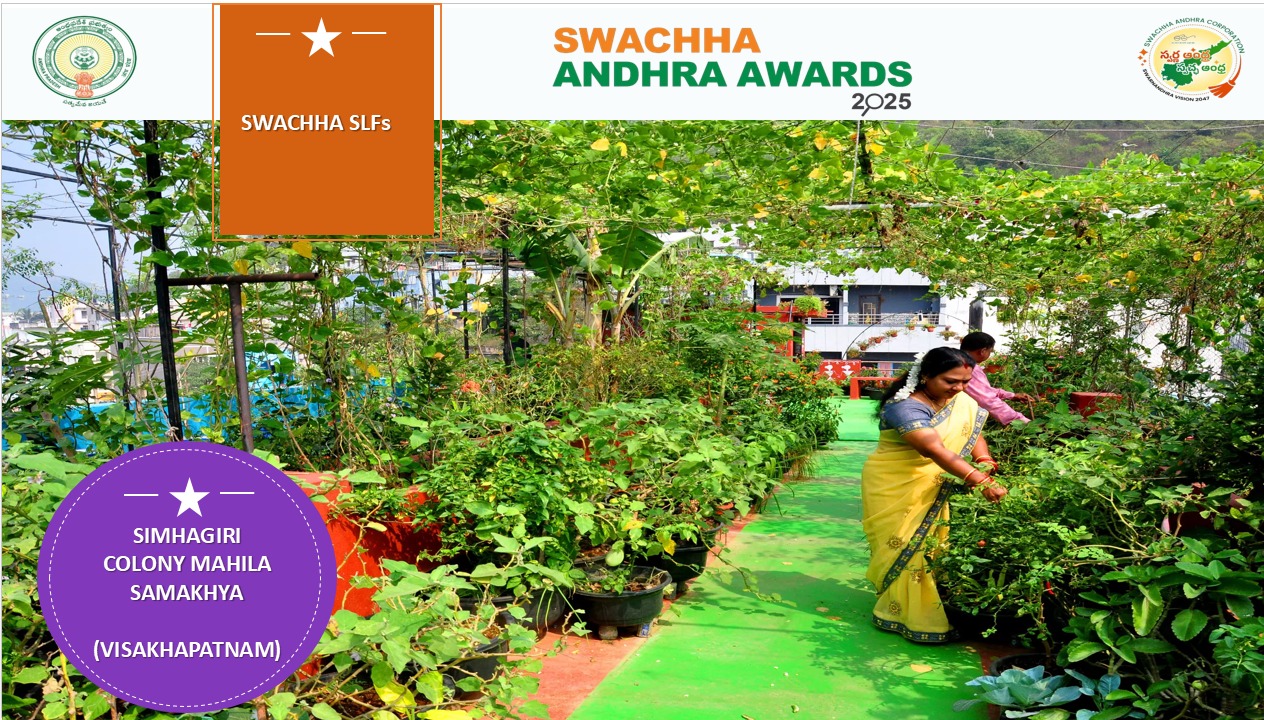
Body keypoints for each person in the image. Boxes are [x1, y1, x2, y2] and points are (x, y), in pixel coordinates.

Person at [861, 347, 1007, 643]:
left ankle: (924, 605)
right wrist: (980, 480)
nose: (959, 388)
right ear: (926, 376)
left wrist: (984, 460)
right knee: (904, 546)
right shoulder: (904, 407)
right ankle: (904, 614)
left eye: (965, 381)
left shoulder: (959, 400)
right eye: (951, 381)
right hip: (894, 484)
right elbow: (933, 449)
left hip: (933, 482)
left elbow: (973, 430)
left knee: (929, 546)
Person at [960, 332, 1034, 425]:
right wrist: (1023, 422)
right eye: (990, 352)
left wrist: (1011, 396)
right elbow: (987, 400)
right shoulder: (969, 368)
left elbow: (982, 391)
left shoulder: (958, 361)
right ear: (982, 351)